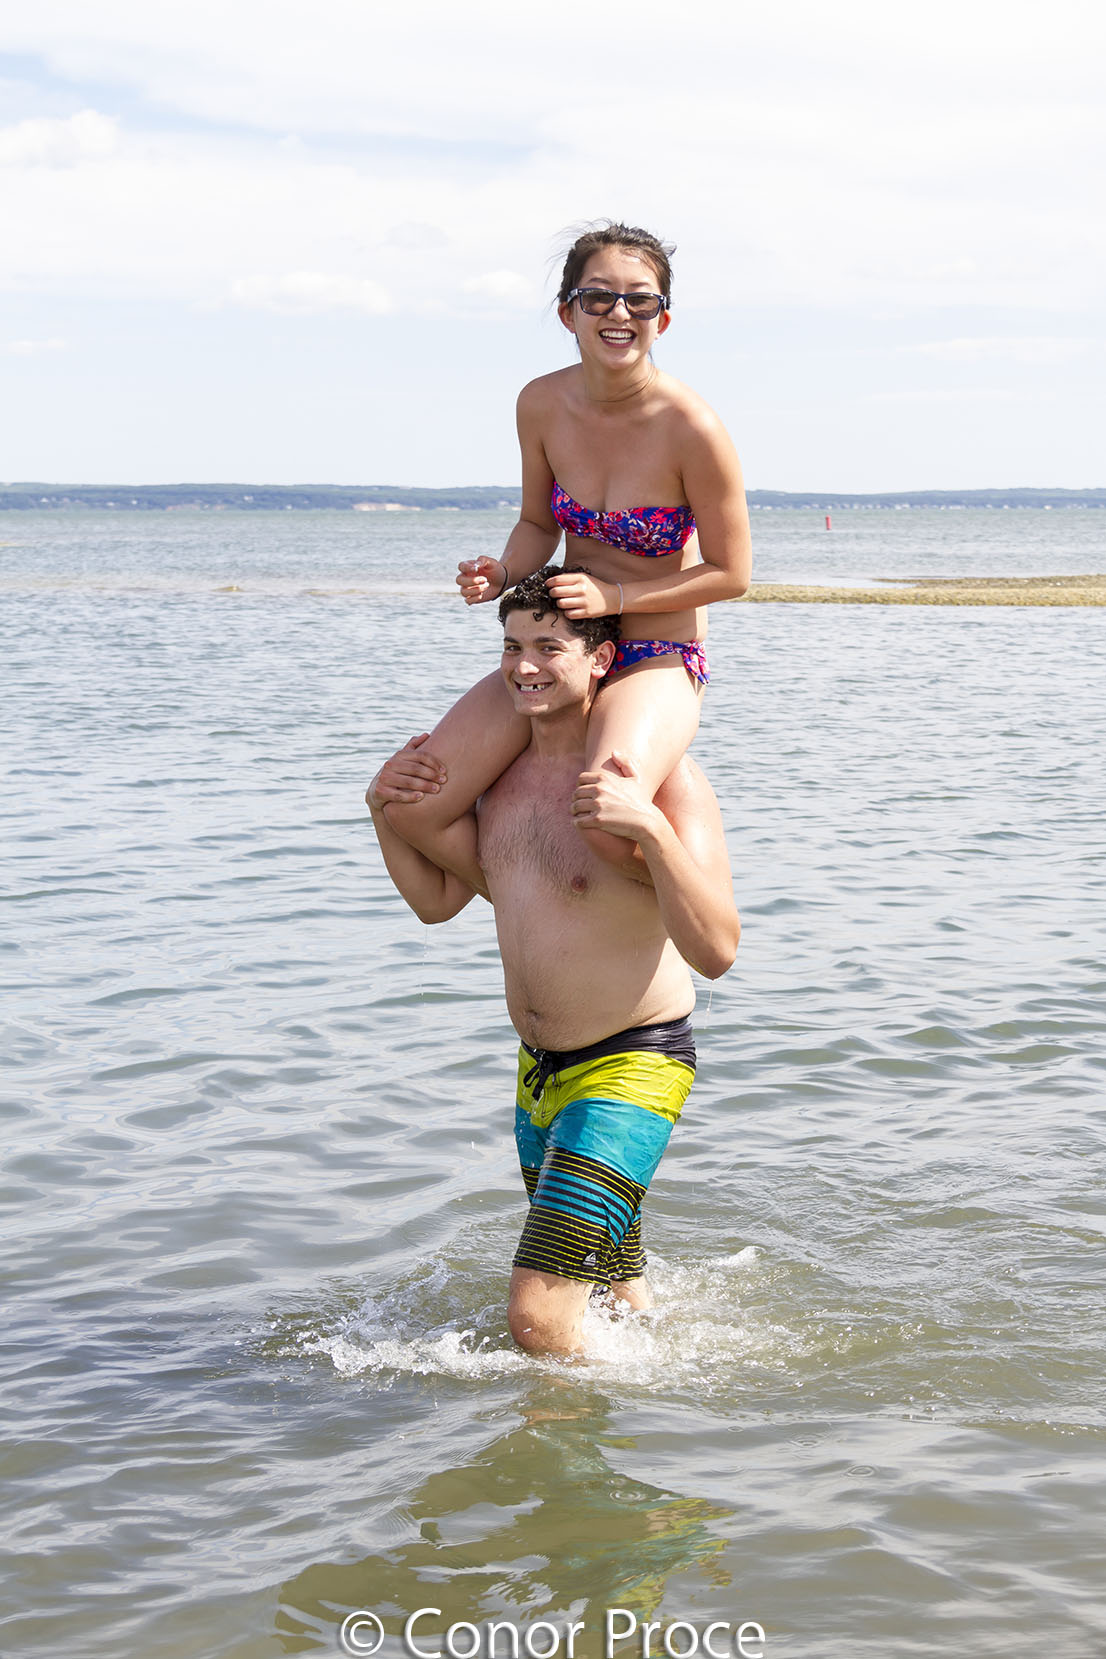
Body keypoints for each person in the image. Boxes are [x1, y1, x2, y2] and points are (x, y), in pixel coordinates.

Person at [367, 568, 740, 1357]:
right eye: (511, 647)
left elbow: (718, 950)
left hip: (631, 1068)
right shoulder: (497, 787)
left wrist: (652, 832)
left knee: (537, 1317)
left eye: (548, 647)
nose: (524, 665)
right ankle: (665, 1407)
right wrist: (381, 811)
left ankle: (556, 1440)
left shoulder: (663, 783)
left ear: (601, 660)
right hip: (539, 1074)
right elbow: (437, 900)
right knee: (609, 1293)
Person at [384, 221, 751, 883]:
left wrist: (617, 597)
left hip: (656, 656)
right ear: (568, 312)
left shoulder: (692, 428)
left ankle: (702, 910)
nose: (619, 313)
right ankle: (528, 906)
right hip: (565, 650)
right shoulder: (541, 403)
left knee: (606, 819)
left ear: (662, 321)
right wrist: (502, 571)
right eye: (599, 296)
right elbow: (536, 523)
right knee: (416, 802)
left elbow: (733, 574)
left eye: (641, 299)